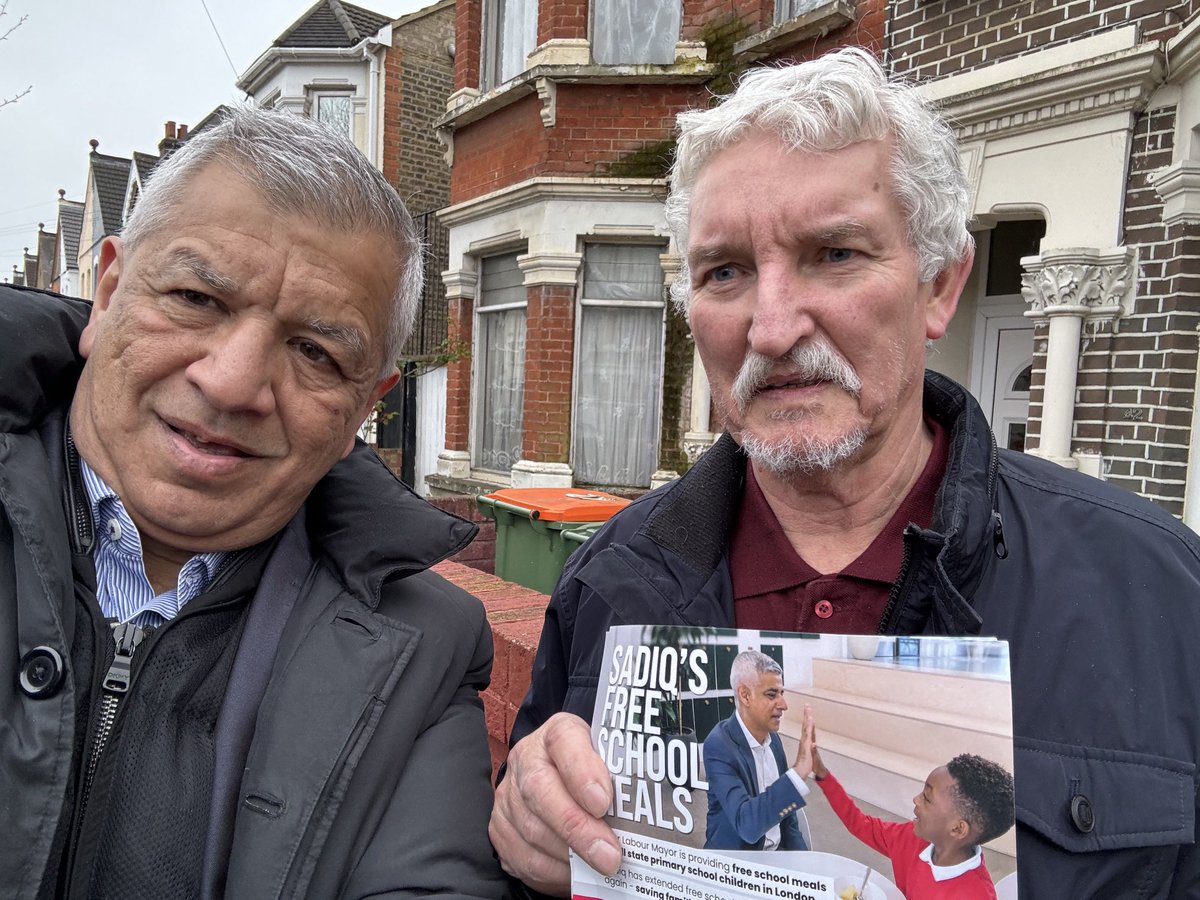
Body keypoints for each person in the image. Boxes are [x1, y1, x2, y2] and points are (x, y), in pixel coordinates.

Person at [489, 47, 1200, 899]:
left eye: (834, 254)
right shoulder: (610, 579)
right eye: (726, 272)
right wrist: (523, 823)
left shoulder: (1160, 593)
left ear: (939, 286)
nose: (773, 327)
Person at [0, 106, 508, 899]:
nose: (233, 383)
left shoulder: (423, 654)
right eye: (198, 299)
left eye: (314, 351)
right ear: (106, 294)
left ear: (363, 409)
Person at [812, 748, 1013, 899]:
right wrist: (823, 775)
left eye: (926, 798)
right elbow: (860, 824)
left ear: (957, 828)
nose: (915, 799)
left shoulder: (977, 895)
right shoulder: (910, 837)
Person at [702, 650, 812, 851]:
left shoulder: (774, 741)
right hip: (735, 869)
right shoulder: (718, 745)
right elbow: (747, 825)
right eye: (772, 694)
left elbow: (788, 821)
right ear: (745, 695)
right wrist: (797, 774)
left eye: (781, 693)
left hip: (776, 858)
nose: (783, 704)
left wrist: (806, 870)